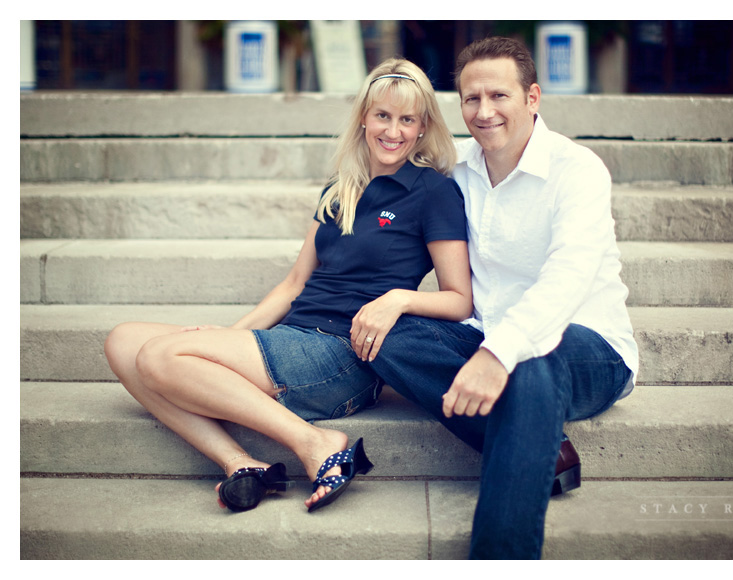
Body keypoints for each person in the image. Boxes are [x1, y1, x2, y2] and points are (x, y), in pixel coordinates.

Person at [103, 58, 472, 514]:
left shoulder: (433, 192)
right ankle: (241, 463)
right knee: (123, 342)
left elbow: (459, 300)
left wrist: (398, 299)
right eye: (382, 115)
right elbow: (294, 284)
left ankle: (316, 442)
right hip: (292, 338)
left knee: (159, 357)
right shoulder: (341, 189)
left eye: (406, 119)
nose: (392, 130)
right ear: (363, 117)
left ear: (421, 128)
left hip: (344, 352)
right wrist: (229, 337)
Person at [368, 37, 639, 559]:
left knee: (530, 361)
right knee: (386, 336)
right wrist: (393, 297)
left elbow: (568, 276)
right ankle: (543, 445)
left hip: (586, 349)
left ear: (532, 98)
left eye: (499, 96)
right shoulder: (456, 169)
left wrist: (498, 354)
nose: (484, 112)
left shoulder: (577, 170)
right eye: (471, 99)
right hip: (485, 335)